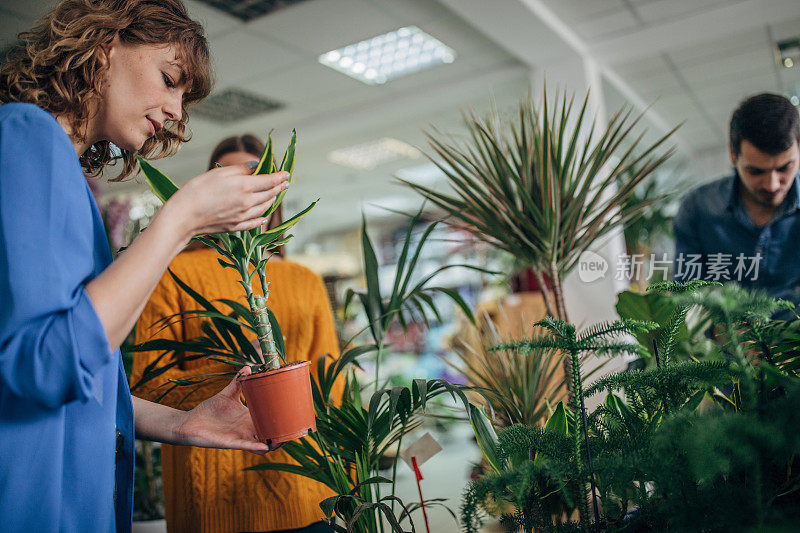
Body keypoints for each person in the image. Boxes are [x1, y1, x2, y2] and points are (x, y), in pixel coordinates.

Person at [0, 2, 289, 531]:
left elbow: (86, 368)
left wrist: (183, 422)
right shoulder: (27, 134)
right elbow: (41, 366)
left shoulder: (68, 176)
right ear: (106, 44)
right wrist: (180, 221)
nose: (178, 110)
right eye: (170, 79)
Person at [130, 135, 340, 532]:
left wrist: (346, 477)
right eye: (229, 179)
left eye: (256, 178)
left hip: (306, 492)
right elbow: (148, 385)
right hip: (209, 502)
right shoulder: (175, 274)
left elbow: (332, 383)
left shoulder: (305, 280)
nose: (245, 189)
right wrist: (235, 387)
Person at [673, 93, 800, 308]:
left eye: (784, 168)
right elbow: (687, 294)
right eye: (756, 171)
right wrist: (718, 328)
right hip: (724, 339)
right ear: (733, 154)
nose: (772, 184)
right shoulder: (698, 208)